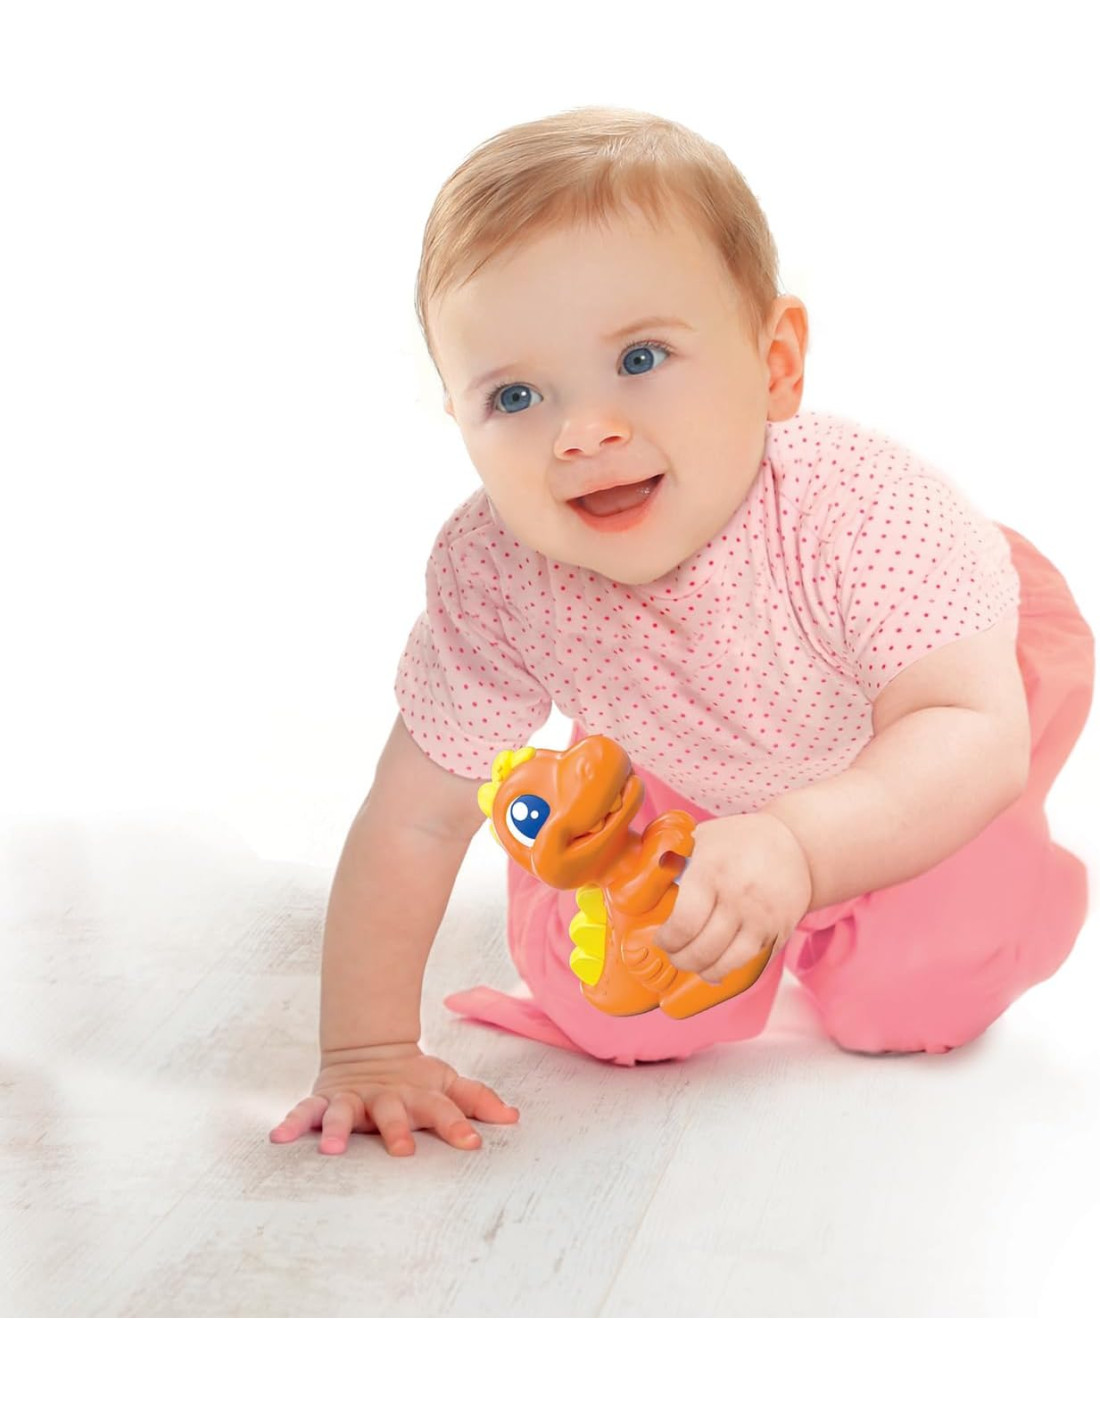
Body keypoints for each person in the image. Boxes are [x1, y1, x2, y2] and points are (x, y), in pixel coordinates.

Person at [270, 105, 1094, 1158]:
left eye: (641, 356)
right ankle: (605, 814)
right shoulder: (497, 569)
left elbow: (969, 730)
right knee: (625, 1008)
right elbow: (415, 821)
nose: (582, 432)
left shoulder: (864, 514)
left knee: (917, 997)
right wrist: (367, 1050)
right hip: (687, 740)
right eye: (515, 394)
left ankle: (981, 883)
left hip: (918, 715)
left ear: (773, 361)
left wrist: (800, 845)